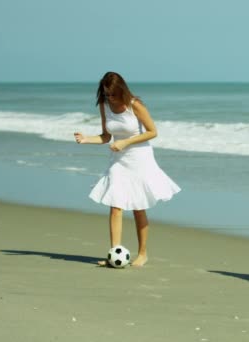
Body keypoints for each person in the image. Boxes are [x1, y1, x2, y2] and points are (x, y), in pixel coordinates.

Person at [74, 71, 181, 267]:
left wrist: (126, 142)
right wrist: (86, 139)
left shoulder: (135, 105)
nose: (110, 98)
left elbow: (152, 132)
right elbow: (106, 137)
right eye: (106, 94)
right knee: (115, 206)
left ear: (121, 90)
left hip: (140, 160)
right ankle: (114, 254)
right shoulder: (104, 106)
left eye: (113, 94)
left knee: (138, 208)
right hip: (118, 160)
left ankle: (142, 253)